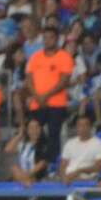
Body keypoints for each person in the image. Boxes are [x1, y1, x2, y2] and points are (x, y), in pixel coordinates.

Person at [25, 26, 74, 166]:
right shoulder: (35, 57)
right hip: (37, 103)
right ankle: (35, 165)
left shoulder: (64, 57)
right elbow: (29, 78)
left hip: (56, 104)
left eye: (51, 37)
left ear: (57, 39)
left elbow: (64, 80)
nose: (47, 41)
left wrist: (46, 95)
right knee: (35, 135)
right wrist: (36, 95)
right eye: (45, 38)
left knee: (54, 134)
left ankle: (52, 165)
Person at [59, 115, 101, 185]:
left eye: (85, 125)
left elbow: (98, 167)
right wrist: (64, 178)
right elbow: (63, 165)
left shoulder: (99, 144)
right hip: (68, 178)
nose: (82, 128)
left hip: (87, 179)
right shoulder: (69, 143)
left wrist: (79, 171)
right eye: (79, 125)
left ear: (90, 127)